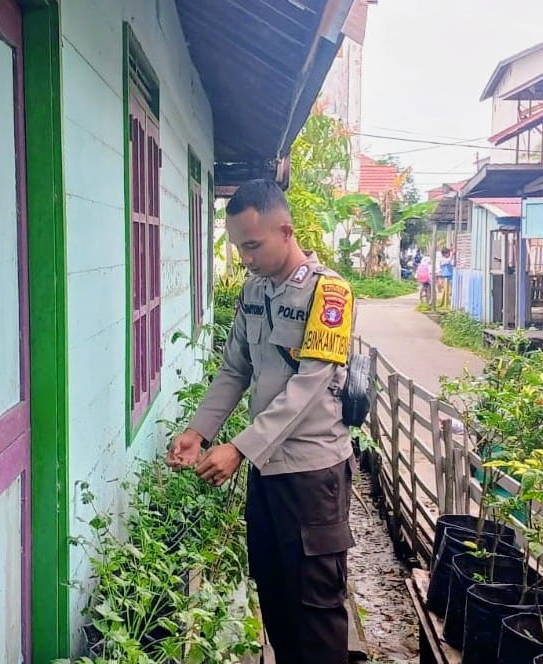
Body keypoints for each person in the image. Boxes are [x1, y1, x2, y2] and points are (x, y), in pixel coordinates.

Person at [167, 179, 355, 663]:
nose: (245, 257)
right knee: (274, 599)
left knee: (315, 610)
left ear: (286, 230)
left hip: (313, 477)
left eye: (253, 245)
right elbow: (235, 369)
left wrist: (239, 448)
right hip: (267, 474)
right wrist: (199, 431)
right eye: (237, 247)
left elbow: (307, 387)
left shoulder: (329, 294)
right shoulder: (255, 291)